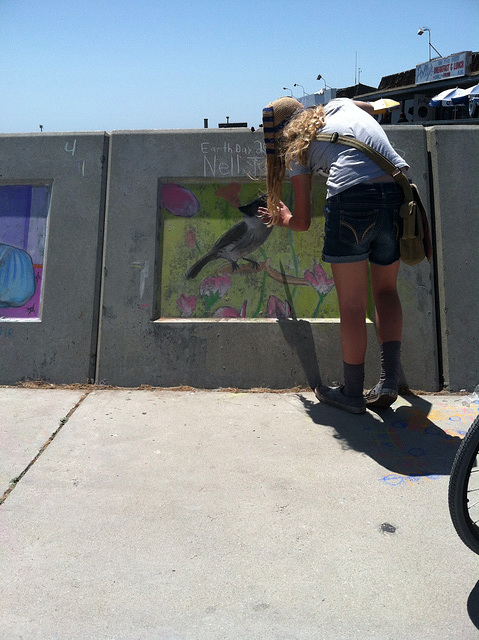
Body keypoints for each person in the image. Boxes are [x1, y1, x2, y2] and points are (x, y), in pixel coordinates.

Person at [259, 97, 409, 414]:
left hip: (352, 198)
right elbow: (371, 107)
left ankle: (352, 393)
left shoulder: (298, 146)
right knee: (386, 290)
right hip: (397, 190)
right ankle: (389, 381)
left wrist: (283, 217)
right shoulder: (339, 104)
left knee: (353, 304)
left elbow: (301, 222)